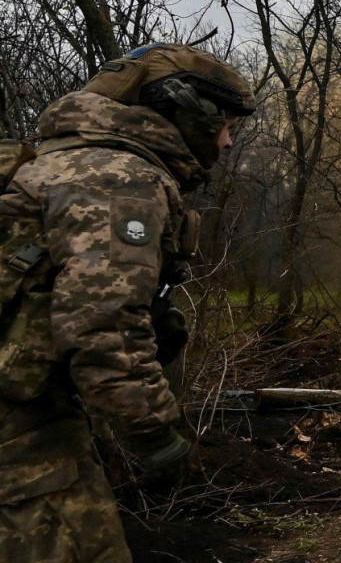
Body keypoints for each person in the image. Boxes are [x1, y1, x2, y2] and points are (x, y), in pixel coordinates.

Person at [0, 44, 255, 563]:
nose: (228, 142)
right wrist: (158, 435)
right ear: (187, 111)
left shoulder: (66, 161)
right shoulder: (119, 179)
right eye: (226, 125)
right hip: (20, 427)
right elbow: (103, 331)